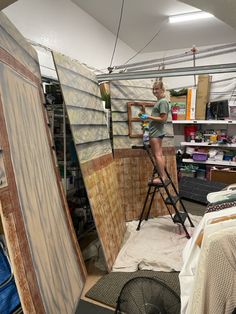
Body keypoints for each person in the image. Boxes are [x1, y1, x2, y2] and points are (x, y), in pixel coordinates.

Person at [141, 80, 170, 184]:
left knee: (157, 155)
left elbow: (163, 119)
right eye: (153, 89)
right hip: (156, 131)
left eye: (157, 88)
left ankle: (162, 178)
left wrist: (148, 116)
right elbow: (159, 118)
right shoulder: (160, 102)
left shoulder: (163, 102)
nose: (154, 91)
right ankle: (163, 176)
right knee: (159, 154)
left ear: (162, 90)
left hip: (156, 133)